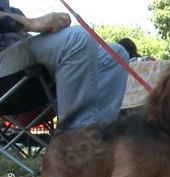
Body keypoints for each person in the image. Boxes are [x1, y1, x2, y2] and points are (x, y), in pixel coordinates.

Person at [0, 0, 129, 130]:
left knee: (116, 55)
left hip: (20, 67)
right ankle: (72, 141)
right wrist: (32, 23)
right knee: (78, 37)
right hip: (6, 74)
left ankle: (95, 139)